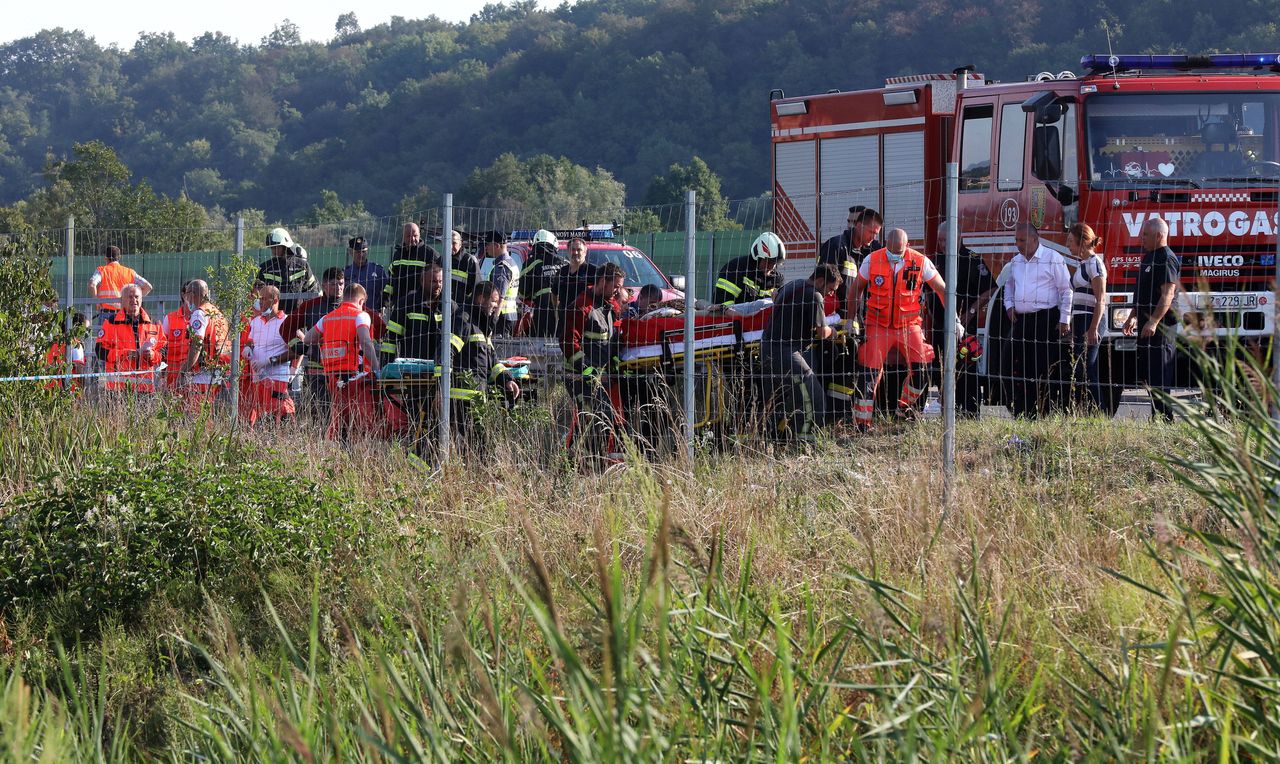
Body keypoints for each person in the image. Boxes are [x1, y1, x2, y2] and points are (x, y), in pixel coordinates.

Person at [849, 229, 948, 430]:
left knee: (922, 370)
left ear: (907, 246)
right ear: (886, 245)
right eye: (891, 251)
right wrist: (850, 320)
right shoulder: (872, 260)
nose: (894, 255)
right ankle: (862, 424)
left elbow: (941, 289)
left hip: (909, 324)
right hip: (878, 324)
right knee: (869, 373)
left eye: (898, 251)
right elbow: (855, 289)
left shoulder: (920, 262)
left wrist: (953, 318)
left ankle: (904, 408)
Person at [760, 263, 841, 441]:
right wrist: (834, 332)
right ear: (820, 281)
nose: (831, 294)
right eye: (830, 288)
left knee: (781, 398)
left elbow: (775, 295)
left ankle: (773, 439)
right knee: (814, 397)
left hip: (767, 347)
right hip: (786, 352)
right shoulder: (815, 296)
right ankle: (806, 441)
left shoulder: (793, 284)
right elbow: (822, 332)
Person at [1003, 223, 1072, 417]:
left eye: (1022, 240)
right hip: (1021, 321)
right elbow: (1008, 286)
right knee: (1009, 364)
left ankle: (1042, 411)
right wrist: (1009, 306)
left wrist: (1065, 318)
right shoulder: (1016, 261)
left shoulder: (1052, 258)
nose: (1018, 244)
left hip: (1045, 319)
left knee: (1040, 369)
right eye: (1016, 240)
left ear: (1035, 239)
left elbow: (1066, 290)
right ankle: (1021, 408)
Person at [928, 221, 996, 416]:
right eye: (939, 240)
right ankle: (947, 411)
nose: (941, 244)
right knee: (942, 370)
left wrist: (972, 312)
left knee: (967, 367)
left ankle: (970, 411)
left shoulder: (973, 259)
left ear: (958, 238)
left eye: (945, 240)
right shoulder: (936, 260)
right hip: (940, 326)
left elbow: (990, 289)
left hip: (965, 326)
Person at [561, 262, 626, 461]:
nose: (618, 290)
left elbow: (612, 340)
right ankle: (575, 461)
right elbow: (568, 342)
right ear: (601, 281)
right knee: (594, 416)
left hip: (602, 377)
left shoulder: (611, 306)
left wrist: (614, 363)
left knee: (604, 416)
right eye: (615, 285)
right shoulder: (582, 306)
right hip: (580, 376)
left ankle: (592, 461)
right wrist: (587, 370)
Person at [304, 283, 383, 441]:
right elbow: (366, 342)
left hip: (331, 375)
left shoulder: (328, 317)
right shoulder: (361, 315)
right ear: (361, 301)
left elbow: (308, 338)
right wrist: (377, 369)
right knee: (357, 417)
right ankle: (352, 453)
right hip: (355, 375)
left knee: (338, 415)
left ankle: (338, 449)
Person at [382, 262, 450, 444]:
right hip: (414, 376)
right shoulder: (407, 304)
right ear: (422, 281)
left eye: (440, 281)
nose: (438, 286)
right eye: (433, 281)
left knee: (440, 421)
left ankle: (434, 454)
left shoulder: (449, 305)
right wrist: (385, 371)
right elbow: (390, 340)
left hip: (440, 376)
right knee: (417, 420)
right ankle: (418, 454)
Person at [450, 281, 522, 448]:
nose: (496, 306)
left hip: (476, 395)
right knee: (479, 445)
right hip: (461, 398)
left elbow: (492, 360)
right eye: (494, 301)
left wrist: (507, 379)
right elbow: (446, 353)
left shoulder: (482, 324)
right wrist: (441, 388)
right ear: (481, 299)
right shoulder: (464, 320)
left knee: (478, 445)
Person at [1123, 216, 1180, 422]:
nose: (1141, 238)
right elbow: (1143, 291)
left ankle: (1166, 419)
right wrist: (1133, 316)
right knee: (1149, 374)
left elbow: (1167, 295)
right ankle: (1156, 416)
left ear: (1159, 236)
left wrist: (1154, 321)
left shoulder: (1166, 258)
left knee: (1160, 374)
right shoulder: (1148, 257)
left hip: (1161, 328)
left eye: (1145, 235)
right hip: (1146, 325)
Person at [281, 267, 345, 421]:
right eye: (333, 284)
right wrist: (299, 346)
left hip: (345, 371)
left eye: (341, 283)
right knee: (319, 413)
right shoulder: (311, 306)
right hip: (318, 370)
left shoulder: (350, 307)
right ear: (323, 285)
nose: (338, 288)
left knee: (345, 413)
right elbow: (285, 327)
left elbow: (376, 327)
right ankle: (321, 443)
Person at [1066, 223, 1108, 412]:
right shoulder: (1082, 263)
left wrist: (1093, 328)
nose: (1067, 245)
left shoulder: (1095, 263)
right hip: (1080, 320)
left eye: (1070, 241)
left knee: (1088, 369)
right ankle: (1085, 410)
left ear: (1082, 242)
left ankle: (1097, 411)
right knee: (1080, 369)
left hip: (1091, 320)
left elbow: (1100, 298)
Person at [241, 285, 296, 425]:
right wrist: (248, 348)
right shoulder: (256, 322)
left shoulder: (286, 322)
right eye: (260, 299)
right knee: (259, 415)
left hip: (276, 378)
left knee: (276, 415)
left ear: (275, 300)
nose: (260, 302)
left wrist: (270, 361)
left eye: (264, 299)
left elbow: (296, 349)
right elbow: (251, 340)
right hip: (258, 377)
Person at [95, 284, 165, 394]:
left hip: (145, 387)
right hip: (117, 388)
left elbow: (164, 352)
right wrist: (125, 354)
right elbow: (100, 351)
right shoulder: (111, 322)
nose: (134, 300)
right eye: (130, 297)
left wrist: (152, 355)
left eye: (137, 297)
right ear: (122, 300)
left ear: (141, 299)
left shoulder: (154, 323)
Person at [175, 279, 231, 411]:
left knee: (197, 416)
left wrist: (183, 370)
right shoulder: (218, 314)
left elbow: (197, 345)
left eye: (187, 294)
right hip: (219, 371)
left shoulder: (199, 314)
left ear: (192, 294)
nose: (185, 298)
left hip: (202, 374)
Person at [819, 207, 882, 306]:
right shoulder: (836, 246)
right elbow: (823, 284)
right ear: (859, 225)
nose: (873, 237)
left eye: (876, 234)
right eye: (871, 232)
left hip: (857, 318)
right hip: (836, 318)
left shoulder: (870, 252)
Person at [713, 231, 784, 307]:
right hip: (734, 318)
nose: (772, 267)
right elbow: (721, 303)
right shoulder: (735, 269)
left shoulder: (777, 279)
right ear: (757, 257)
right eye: (768, 262)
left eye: (775, 263)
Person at [257, 227, 317, 314]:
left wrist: (306, 313)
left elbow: (313, 290)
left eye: (277, 247)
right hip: (272, 316)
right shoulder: (265, 268)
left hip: (298, 316)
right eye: (272, 248)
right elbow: (257, 293)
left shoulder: (302, 266)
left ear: (286, 246)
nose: (274, 250)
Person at [521, 229, 566, 336]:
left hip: (542, 311)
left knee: (541, 344)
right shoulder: (564, 263)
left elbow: (523, 293)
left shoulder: (530, 264)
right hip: (564, 311)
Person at [385, 223, 438, 308]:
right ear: (403, 236)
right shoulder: (398, 254)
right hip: (399, 305)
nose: (412, 239)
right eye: (408, 236)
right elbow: (391, 281)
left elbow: (437, 281)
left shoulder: (430, 254)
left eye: (415, 235)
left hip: (421, 305)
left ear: (419, 235)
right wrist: (385, 300)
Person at [485, 231, 521, 337]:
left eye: (487, 244)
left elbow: (500, 297)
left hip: (501, 318)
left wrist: (493, 320)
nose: (486, 248)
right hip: (510, 315)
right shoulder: (511, 263)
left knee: (499, 350)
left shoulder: (501, 268)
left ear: (496, 245)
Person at [43, 311, 90, 391]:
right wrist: (82, 390)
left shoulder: (52, 343)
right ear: (77, 328)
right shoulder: (75, 345)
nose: (86, 333)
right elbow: (79, 370)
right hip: (69, 391)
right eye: (85, 329)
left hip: (49, 389)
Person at [555, 237, 595, 329]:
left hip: (586, 323)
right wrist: (558, 311)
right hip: (564, 323)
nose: (576, 252)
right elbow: (554, 294)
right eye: (573, 249)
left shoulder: (594, 272)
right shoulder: (562, 272)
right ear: (568, 251)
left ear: (585, 252)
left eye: (579, 250)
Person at [343, 236, 389, 314]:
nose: (361, 255)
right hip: (351, 316)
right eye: (357, 252)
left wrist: (383, 305)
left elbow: (387, 290)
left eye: (363, 251)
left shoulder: (378, 270)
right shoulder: (345, 272)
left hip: (373, 316)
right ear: (351, 252)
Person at [447, 230, 480, 304]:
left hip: (462, 307)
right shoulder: (441, 261)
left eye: (454, 243)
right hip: (444, 306)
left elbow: (477, 289)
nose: (450, 246)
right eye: (448, 243)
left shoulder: (469, 261)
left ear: (460, 244)